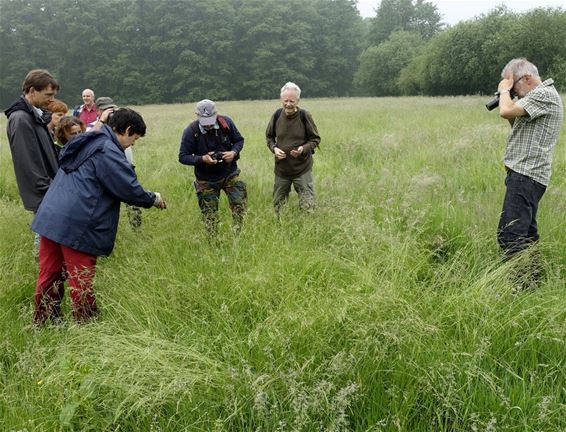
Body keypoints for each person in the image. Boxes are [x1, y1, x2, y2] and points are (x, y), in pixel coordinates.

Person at [31, 108, 167, 324]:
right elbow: (127, 188)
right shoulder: (108, 150)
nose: (132, 144)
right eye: (134, 139)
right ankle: (87, 329)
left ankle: (44, 322)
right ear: (127, 130)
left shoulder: (87, 139)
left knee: (49, 275)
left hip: (50, 217)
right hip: (78, 223)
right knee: (80, 280)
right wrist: (153, 199)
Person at [496, 58, 563, 266]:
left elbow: (505, 110)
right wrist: (508, 94)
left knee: (510, 236)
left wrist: (504, 91)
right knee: (527, 234)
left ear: (526, 78)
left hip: (527, 176)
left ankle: (520, 287)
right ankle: (532, 283)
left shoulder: (543, 94)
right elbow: (514, 121)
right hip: (527, 176)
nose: (514, 92)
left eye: (513, 85)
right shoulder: (539, 97)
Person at [179, 99, 247, 235]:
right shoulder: (190, 131)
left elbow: (239, 140)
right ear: (197, 116)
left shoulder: (226, 122)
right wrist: (202, 159)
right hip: (206, 179)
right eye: (205, 122)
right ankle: (214, 243)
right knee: (209, 216)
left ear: (216, 114)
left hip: (229, 173)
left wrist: (233, 152)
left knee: (240, 206)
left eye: (211, 120)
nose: (209, 125)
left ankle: (238, 236)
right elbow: (183, 156)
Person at [4, 69, 60, 214]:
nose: (52, 99)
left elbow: (48, 152)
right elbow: (28, 164)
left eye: (54, 95)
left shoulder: (36, 115)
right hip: (45, 197)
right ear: (32, 90)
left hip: (51, 193)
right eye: (48, 94)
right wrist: (50, 191)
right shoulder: (21, 119)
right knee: (43, 236)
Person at [265, 82, 321, 213]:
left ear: (298, 100)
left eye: (292, 101)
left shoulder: (304, 115)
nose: (288, 104)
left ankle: (308, 228)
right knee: (278, 207)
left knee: (308, 207)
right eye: (286, 101)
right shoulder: (277, 115)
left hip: (302, 169)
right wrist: (274, 149)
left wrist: (303, 149)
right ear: (281, 100)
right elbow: (269, 137)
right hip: (282, 170)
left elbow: (315, 139)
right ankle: (280, 228)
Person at [89, 97, 142, 228]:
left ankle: (136, 227)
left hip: (127, 166)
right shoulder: (93, 127)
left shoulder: (121, 125)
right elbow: (88, 140)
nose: (111, 112)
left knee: (133, 199)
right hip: (106, 171)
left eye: (113, 109)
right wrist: (101, 121)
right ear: (99, 112)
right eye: (107, 110)